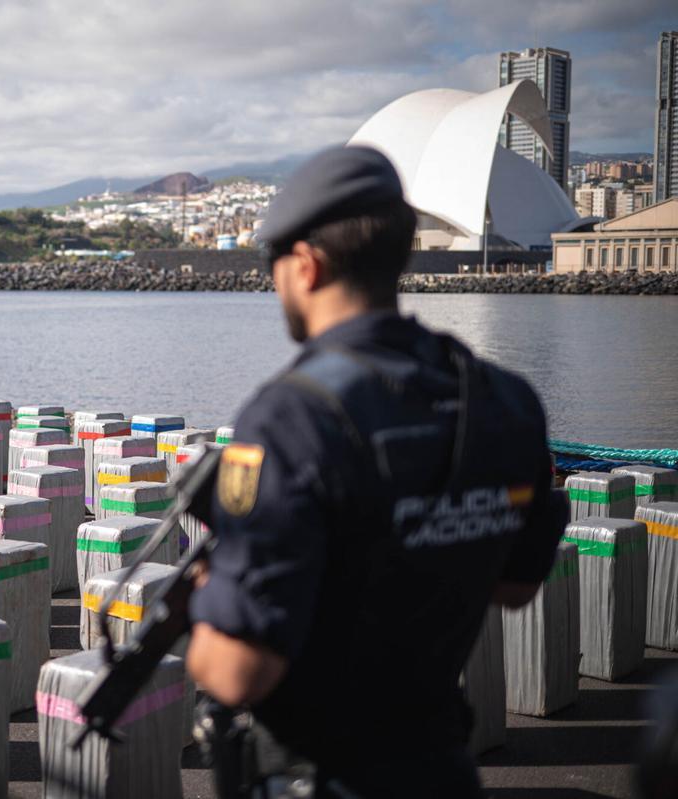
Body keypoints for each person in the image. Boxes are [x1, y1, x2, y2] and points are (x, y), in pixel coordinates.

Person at [184, 146, 567, 798]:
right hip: (444, 767)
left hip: (325, 777)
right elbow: (517, 583)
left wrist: (207, 597)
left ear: (306, 264)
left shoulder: (290, 418)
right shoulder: (504, 398)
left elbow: (236, 672)